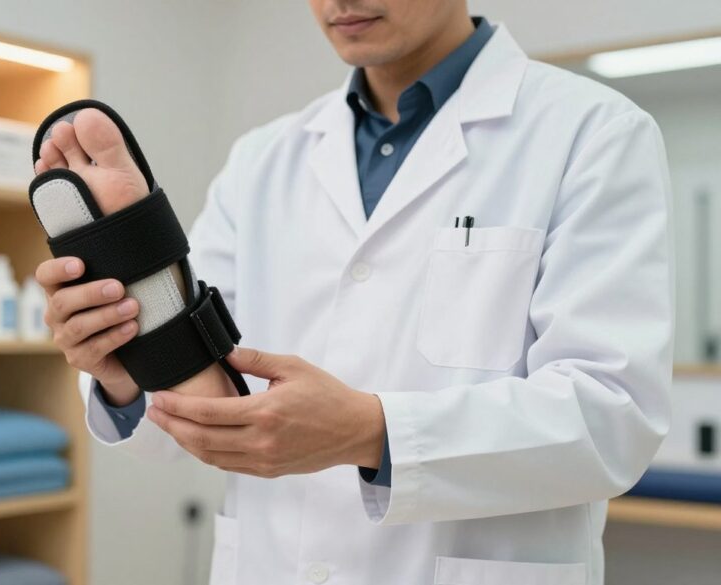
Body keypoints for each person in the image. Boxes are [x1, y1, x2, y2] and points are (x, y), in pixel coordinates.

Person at [34, 1, 673, 583]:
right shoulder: (261, 159)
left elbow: (613, 414)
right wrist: (122, 365)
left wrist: (374, 432)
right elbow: (198, 412)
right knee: (179, 350)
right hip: (271, 563)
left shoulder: (592, 133)